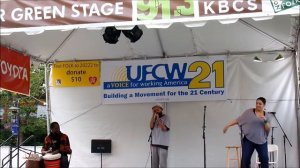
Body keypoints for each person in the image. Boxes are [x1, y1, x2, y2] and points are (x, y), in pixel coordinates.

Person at [223, 97, 271, 168]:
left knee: (264, 159)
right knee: (245, 160)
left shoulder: (267, 116)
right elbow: (238, 120)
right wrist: (227, 125)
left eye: (260, 104)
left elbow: (268, 129)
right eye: (257, 103)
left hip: (262, 141)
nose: (258, 105)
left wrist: (265, 120)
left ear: (264, 105)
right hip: (249, 140)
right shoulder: (249, 112)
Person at [149, 103, 170, 168]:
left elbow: (164, 128)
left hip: (163, 144)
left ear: (161, 109)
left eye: (158, 109)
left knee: (162, 164)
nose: (156, 111)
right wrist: (153, 115)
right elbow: (151, 126)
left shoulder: (166, 117)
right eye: (155, 110)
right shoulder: (154, 118)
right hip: (154, 144)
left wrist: (158, 119)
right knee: (154, 164)